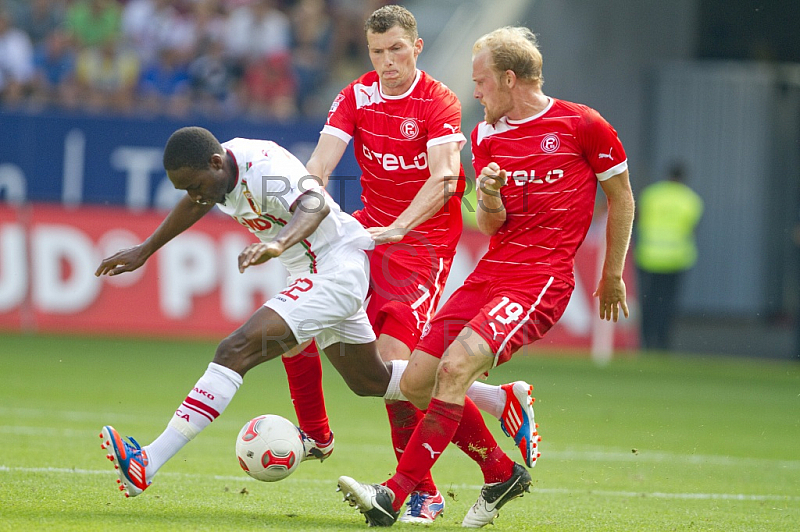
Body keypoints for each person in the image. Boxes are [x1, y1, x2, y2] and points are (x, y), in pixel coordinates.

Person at [336, 26, 635, 527]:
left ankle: (397, 493)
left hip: (539, 279)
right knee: (414, 381)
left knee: (455, 370)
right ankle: (500, 472)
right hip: (490, 272)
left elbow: (622, 197)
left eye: (481, 83)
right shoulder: (485, 136)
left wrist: (612, 275)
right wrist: (491, 194)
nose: (474, 93)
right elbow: (490, 223)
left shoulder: (582, 124)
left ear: (509, 79)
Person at [279, 6, 538, 524]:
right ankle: (492, 410)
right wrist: (307, 202)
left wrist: (399, 225)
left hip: (422, 244)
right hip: (366, 234)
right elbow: (321, 164)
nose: (387, 62)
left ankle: (427, 491)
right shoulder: (355, 95)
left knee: (395, 362)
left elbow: (445, 177)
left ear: (416, 48)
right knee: (325, 340)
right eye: (377, 52)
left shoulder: (438, 100)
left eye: (397, 49)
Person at [94, 126, 409, 499]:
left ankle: (147, 461)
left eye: (195, 185)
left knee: (234, 350)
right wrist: (145, 249)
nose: (195, 195)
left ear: (215, 163)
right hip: (316, 270)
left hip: (334, 269)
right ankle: (492, 397)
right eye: (186, 190)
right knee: (370, 381)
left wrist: (276, 244)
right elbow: (196, 203)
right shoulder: (216, 173)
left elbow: (315, 204)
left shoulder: (264, 168)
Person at [634, 162, 703, 350]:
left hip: (648, 256)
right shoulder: (690, 199)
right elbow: (693, 229)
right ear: (683, 178)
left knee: (648, 301)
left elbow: (636, 218)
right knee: (668, 303)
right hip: (676, 259)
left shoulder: (651, 194)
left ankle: (646, 341)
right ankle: (663, 342)